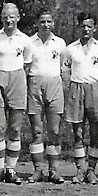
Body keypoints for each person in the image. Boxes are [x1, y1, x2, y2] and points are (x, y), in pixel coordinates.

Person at [60, 11, 98, 185]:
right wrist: (69, 86)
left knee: (96, 134)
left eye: (89, 26)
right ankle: (80, 171)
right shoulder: (70, 49)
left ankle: (91, 170)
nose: (86, 29)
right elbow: (65, 70)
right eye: (83, 26)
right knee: (78, 134)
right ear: (78, 27)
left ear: (95, 28)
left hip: (96, 89)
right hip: (76, 88)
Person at [0, 3, 33, 185]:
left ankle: (11, 169)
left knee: (15, 128)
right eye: (5, 16)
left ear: (18, 18)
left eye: (12, 16)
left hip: (17, 79)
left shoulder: (25, 40)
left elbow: (27, 65)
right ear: (1, 18)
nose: (8, 19)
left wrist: (15, 78)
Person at [25, 12, 66, 184]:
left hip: (55, 84)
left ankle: (53, 171)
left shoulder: (60, 43)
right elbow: (26, 68)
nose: (45, 25)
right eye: (42, 21)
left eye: (49, 21)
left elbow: (64, 67)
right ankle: (38, 170)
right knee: (37, 132)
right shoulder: (29, 42)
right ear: (37, 23)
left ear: (53, 24)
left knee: (54, 132)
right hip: (35, 84)